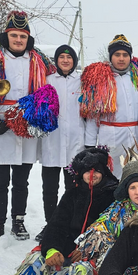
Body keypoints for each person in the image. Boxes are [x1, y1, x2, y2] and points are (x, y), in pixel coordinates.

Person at [0, 11, 55, 247]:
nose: (18, 40)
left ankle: (18, 219)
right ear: (6, 36)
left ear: (28, 39)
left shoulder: (39, 62)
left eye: (22, 36)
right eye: (14, 35)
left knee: (22, 180)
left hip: (27, 123)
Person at [82, 34, 138, 179]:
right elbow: (92, 115)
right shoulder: (100, 80)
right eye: (117, 54)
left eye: (125, 55)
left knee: (137, 175)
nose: (121, 58)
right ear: (111, 57)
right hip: (110, 137)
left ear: (130, 57)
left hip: (136, 135)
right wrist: (90, 145)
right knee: (112, 176)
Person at [37, 44, 84, 242]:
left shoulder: (82, 81)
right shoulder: (47, 81)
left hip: (75, 143)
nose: (65, 60)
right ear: (56, 61)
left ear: (74, 60)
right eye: (61, 57)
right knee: (49, 188)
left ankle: (70, 224)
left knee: (72, 187)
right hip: (52, 142)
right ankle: (50, 224)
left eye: (69, 57)